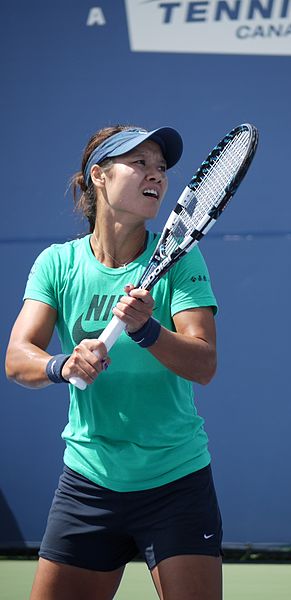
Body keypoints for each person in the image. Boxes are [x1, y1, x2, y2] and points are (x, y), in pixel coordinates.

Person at [5, 124, 223, 600]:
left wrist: (148, 330)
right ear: (99, 175)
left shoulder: (182, 262)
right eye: (140, 163)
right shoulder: (57, 264)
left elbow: (203, 363)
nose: (157, 175)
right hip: (89, 482)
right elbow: (18, 357)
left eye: (162, 167)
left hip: (175, 482)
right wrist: (61, 365)